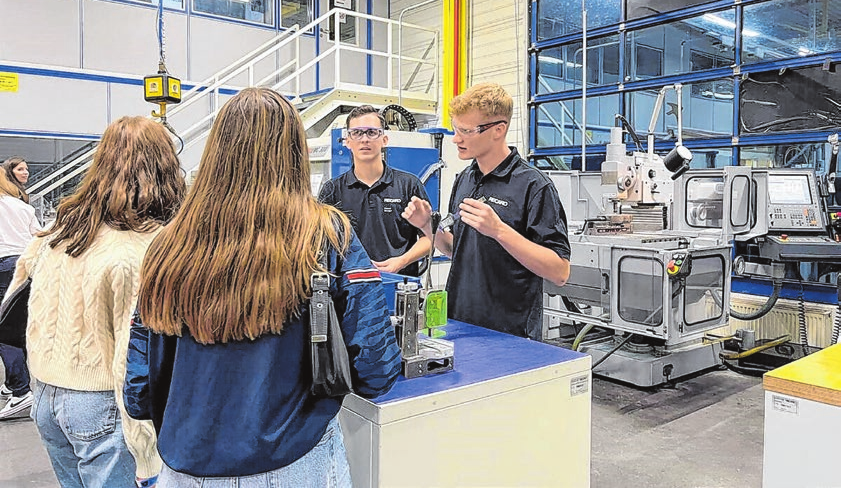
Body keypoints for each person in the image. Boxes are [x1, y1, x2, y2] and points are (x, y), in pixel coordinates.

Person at [126, 88, 401, 487]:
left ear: (217, 149)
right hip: (295, 461)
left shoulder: (168, 244)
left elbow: (138, 388)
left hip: (187, 465)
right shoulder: (327, 235)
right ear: (295, 151)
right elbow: (374, 368)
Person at [6, 117, 185, 487]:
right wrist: (146, 449)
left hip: (46, 395)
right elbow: (128, 357)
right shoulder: (143, 248)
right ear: (165, 168)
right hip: (102, 404)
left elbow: (17, 300)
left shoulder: (58, 231)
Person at [403, 82, 571, 341]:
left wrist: (499, 231)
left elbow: (559, 272)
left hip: (511, 336)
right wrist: (426, 225)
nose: (456, 138)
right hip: (460, 324)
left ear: (498, 130)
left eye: (465, 131)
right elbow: (455, 249)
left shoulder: (534, 186)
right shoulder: (465, 179)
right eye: (455, 129)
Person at [318, 105, 432, 277]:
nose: (365, 139)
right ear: (348, 141)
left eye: (372, 132)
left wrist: (401, 261)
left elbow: (429, 238)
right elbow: (321, 242)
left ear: (384, 139)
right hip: (349, 287)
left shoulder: (409, 185)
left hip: (398, 284)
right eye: (357, 133)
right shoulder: (332, 190)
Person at [0, 167, 41, 419]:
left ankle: (20, 390)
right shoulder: (23, 207)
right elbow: (38, 236)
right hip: (23, 264)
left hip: (2, 264)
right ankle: (14, 381)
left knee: (3, 330)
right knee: (16, 323)